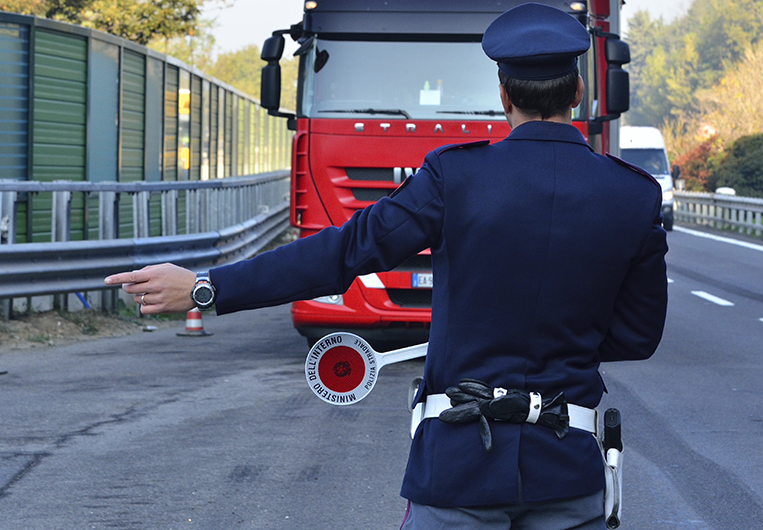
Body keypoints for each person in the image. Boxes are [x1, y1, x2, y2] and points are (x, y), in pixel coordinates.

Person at [105, 3, 668, 529]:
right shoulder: (633, 196)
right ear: (576, 90)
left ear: (503, 94)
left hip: (457, 470)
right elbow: (639, 337)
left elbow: (340, 254)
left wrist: (207, 287)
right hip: (567, 471)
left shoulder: (456, 178)